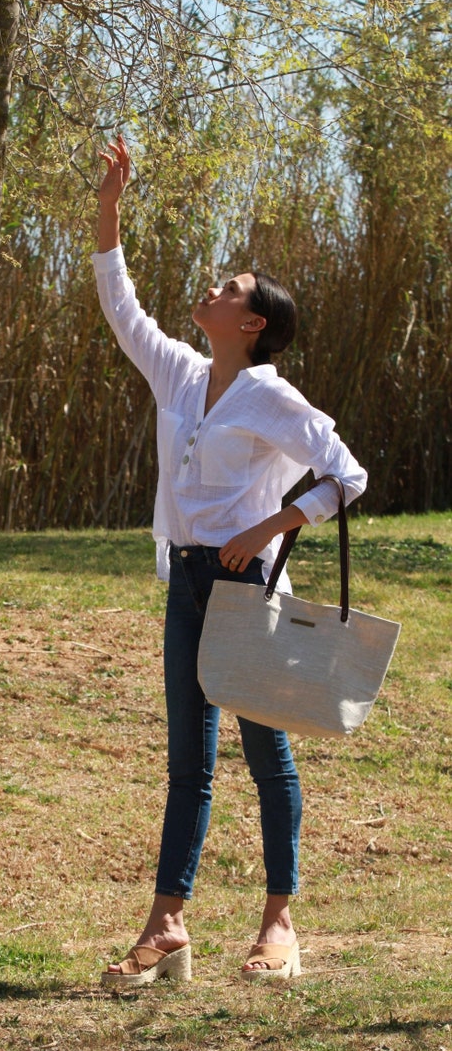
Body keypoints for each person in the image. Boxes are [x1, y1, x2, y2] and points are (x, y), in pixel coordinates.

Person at [94, 134, 367, 987]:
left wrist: (275, 524)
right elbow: (121, 306)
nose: (210, 290)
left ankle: (280, 924)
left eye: (228, 289)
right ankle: (167, 925)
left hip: (246, 588)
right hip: (186, 583)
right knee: (188, 760)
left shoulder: (269, 393)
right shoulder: (178, 372)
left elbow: (347, 475)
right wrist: (108, 211)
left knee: (266, 756)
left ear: (250, 322)